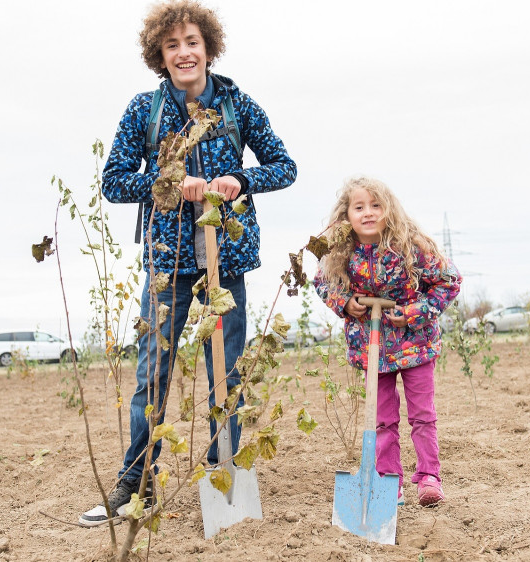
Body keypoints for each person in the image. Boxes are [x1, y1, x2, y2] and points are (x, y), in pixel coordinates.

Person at [79, 0, 297, 526]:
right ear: (159, 54)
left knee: (229, 374)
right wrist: (170, 186)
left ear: (208, 48)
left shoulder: (237, 105)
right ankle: (138, 482)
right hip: (166, 262)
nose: (184, 53)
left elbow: (284, 166)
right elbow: (112, 182)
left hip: (228, 262)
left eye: (192, 42)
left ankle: (222, 471)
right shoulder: (144, 110)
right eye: (172, 44)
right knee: (151, 376)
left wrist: (241, 179)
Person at [313, 176, 460, 507]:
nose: (368, 212)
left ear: (388, 210)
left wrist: (413, 312)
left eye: (376, 205)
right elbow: (322, 282)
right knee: (381, 419)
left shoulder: (412, 247)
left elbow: (449, 282)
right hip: (370, 349)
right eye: (359, 206)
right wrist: (345, 301)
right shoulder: (342, 253)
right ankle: (388, 481)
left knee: (422, 414)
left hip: (416, 345)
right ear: (346, 215)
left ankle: (428, 478)